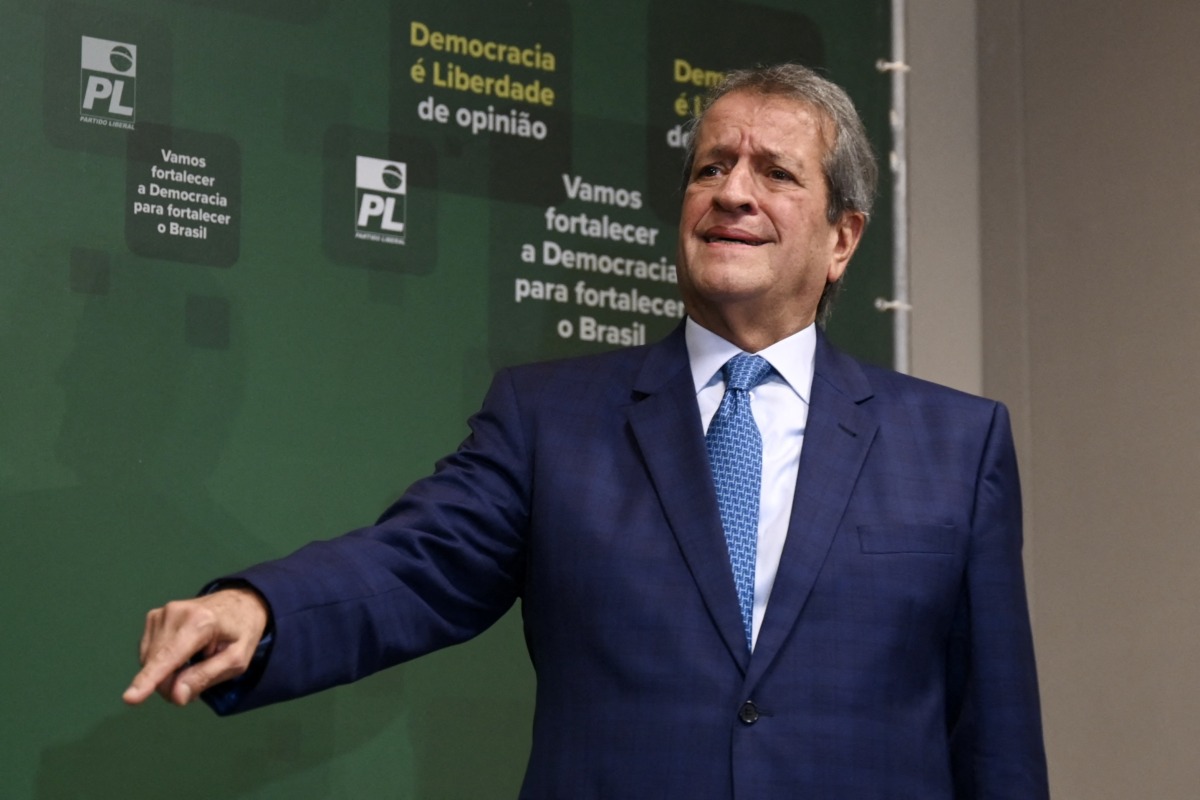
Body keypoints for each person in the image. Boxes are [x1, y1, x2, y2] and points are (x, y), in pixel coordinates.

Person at [125, 64, 1049, 798]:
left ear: (843, 238)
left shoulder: (955, 448)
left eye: (775, 172)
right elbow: (414, 563)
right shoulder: (550, 420)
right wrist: (262, 610)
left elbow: (996, 741)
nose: (733, 192)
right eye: (711, 166)